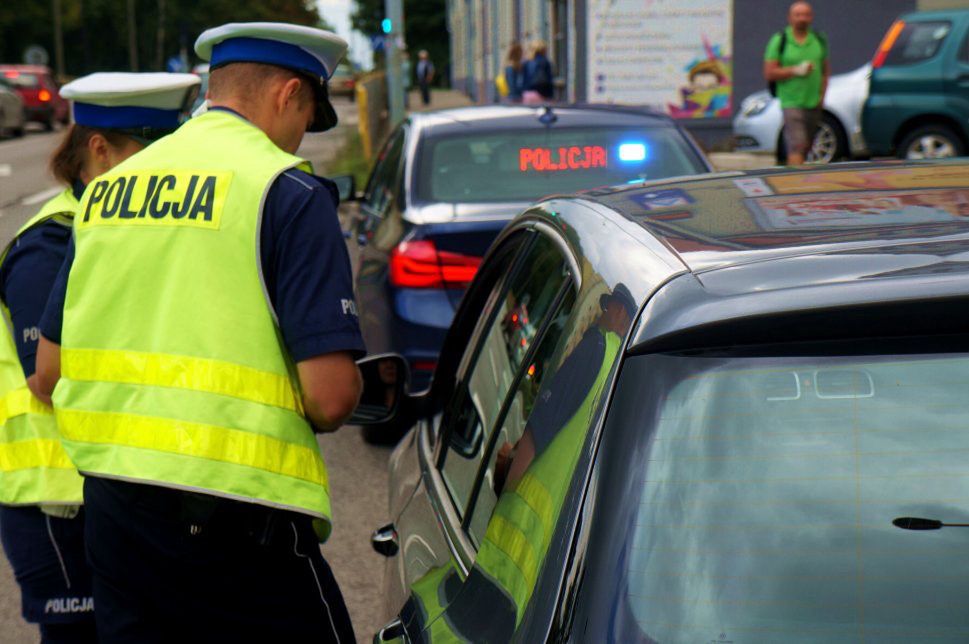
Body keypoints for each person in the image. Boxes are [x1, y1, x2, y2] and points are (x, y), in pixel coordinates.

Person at [34, 22, 365, 643]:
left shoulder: (105, 194)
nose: (302, 139)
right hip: (236, 524)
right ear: (289, 94)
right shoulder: (286, 191)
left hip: (114, 517)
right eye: (307, 117)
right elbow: (330, 397)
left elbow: (48, 370)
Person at [0, 71, 199, 644]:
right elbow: (48, 380)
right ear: (99, 149)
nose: (166, 166)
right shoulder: (50, 244)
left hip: (109, 491)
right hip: (57, 503)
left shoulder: (118, 230)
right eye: (151, 150)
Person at [764, 1, 830, 166]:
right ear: (790, 18)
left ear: (811, 17)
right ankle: (795, 184)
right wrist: (795, 70)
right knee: (797, 144)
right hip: (791, 101)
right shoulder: (780, 40)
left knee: (807, 145)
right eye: (798, 15)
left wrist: (822, 95)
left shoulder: (819, 40)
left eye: (806, 15)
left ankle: (796, 173)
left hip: (813, 101)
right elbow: (769, 72)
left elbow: (825, 70)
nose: (802, 19)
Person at [522, 39, 554, 104]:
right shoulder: (545, 62)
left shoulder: (526, 62)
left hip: (528, 93)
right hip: (542, 93)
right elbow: (549, 79)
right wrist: (551, 95)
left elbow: (523, 79)